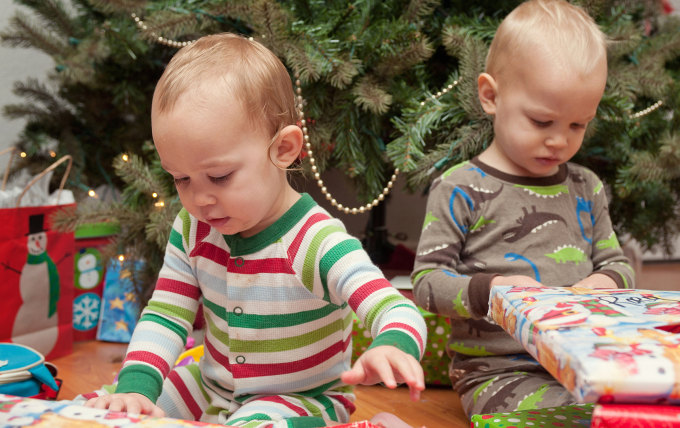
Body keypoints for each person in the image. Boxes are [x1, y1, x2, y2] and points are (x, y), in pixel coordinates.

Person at [81, 33, 426, 428]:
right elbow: (166, 315)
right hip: (212, 388)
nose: (199, 199)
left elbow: (395, 308)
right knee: (105, 410)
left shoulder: (316, 242)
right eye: (181, 179)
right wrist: (137, 390)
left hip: (300, 400)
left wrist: (393, 344)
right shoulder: (192, 229)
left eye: (219, 176)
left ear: (284, 149)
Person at [411, 0, 636, 418]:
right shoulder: (460, 187)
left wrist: (603, 284)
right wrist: (490, 291)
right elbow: (426, 282)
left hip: (587, 357)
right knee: (560, 417)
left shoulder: (586, 186)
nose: (560, 141)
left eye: (577, 125)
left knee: (653, 405)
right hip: (500, 371)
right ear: (491, 96)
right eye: (541, 121)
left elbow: (619, 265)